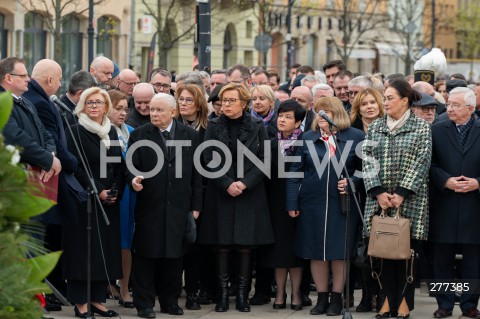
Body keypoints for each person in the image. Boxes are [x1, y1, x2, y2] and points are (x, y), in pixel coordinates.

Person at [197, 83, 274, 313]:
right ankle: (222, 295)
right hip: (221, 192)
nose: (226, 105)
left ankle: (242, 295)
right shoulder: (212, 125)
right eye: (223, 101)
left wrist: (244, 183)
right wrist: (226, 183)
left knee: (245, 246)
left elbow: (265, 159)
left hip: (248, 193)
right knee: (221, 245)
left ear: (244, 103)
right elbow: (207, 158)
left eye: (231, 101)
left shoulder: (258, 125)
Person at [286, 96, 364, 316]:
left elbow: (364, 170)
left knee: (339, 252)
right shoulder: (308, 137)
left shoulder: (355, 137)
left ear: (336, 113)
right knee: (316, 252)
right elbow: (294, 172)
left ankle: (337, 298)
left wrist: (352, 182)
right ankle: (321, 298)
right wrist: (292, 201)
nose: (321, 116)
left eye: (326, 112)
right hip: (312, 203)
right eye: (318, 111)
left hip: (342, 205)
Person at [127, 93, 202, 318]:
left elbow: (197, 175)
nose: (154, 114)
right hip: (150, 204)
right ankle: (145, 304)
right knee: (146, 255)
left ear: (173, 112)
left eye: (159, 110)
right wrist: (134, 179)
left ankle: (170, 301)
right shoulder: (139, 135)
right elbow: (130, 165)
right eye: (152, 110)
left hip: (179, 206)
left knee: (174, 256)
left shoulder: (190, 135)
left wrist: (196, 205)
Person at [362, 79, 431, 319]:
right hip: (380, 201)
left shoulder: (421, 127)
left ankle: (403, 302)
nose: (385, 102)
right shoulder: (376, 126)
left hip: (409, 201)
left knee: (406, 254)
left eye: (390, 97)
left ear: (405, 101)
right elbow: (367, 160)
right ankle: (386, 301)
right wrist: (379, 191)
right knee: (384, 253)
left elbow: (421, 162)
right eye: (385, 97)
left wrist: (402, 193)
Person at [65, 87, 125, 318]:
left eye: (98, 102)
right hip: (84, 200)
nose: (93, 106)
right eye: (89, 102)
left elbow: (117, 165)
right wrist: (97, 190)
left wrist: (115, 190)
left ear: (106, 106)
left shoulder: (110, 132)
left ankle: (98, 299)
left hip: (109, 201)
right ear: (82, 106)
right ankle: (80, 302)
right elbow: (75, 167)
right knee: (83, 251)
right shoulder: (75, 132)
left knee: (104, 250)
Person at [430, 87, 480, 319]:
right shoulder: (437, 129)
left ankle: (469, 305)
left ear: (470, 108)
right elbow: (429, 165)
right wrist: (445, 180)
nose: (449, 108)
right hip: (445, 204)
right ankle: (444, 303)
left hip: (474, 205)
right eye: (449, 104)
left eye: (455, 105)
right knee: (442, 259)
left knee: (473, 260)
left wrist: (478, 183)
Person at [261, 100, 306, 311]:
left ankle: (297, 293)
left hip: (298, 204)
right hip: (274, 204)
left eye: (288, 117)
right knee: (278, 251)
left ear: (298, 123)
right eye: (280, 115)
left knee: (295, 251)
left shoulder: (305, 144)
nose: (282, 119)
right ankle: (279, 292)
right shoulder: (269, 144)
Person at [107, 89, 135, 308]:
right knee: (109, 241)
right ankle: (107, 285)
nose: (123, 113)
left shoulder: (132, 132)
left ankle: (125, 288)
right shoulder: (101, 134)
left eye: (126, 109)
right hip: (109, 193)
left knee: (127, 243)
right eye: (118, 109)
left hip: (129, 195)